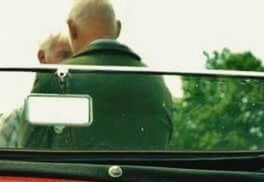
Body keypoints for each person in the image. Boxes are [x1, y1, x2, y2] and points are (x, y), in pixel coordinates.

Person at [24, 0, 174, 150]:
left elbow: (29, 155)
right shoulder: (158, 83)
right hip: (145, 175)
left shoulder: (54, 78)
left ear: (72, 29)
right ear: (118, 29)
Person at [0, 33, 73, 148]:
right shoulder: (12, 122)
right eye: (64, 56)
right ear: (42, 57)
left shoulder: (89, 115)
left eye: (76, 57)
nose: (73, 63)